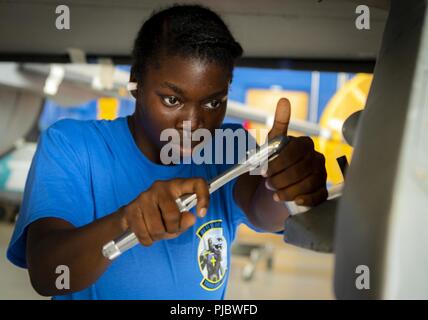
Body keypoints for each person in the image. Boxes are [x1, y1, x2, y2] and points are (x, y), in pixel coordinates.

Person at [7, 4, 327, 299]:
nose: (193, 123)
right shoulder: (72, 145)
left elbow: (263, 211)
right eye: (172, 100)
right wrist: (125, 221)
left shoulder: (228, 148)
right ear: (136, 83)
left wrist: (286, 185)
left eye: (213, 102)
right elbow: (49, 272)